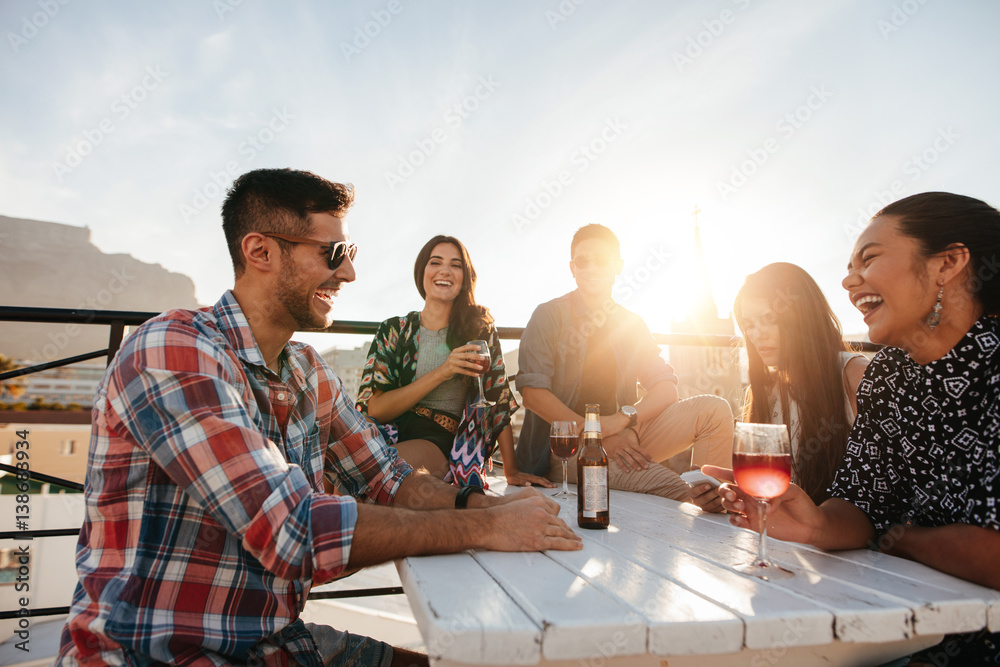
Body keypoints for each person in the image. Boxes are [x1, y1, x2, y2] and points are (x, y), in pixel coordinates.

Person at [56, 168, 581, 667]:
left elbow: (390, 478)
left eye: (349, 252)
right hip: (156, 651)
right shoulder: (171, 350)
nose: (350, 271)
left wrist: (489, 503)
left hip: (274, 640)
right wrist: (486, 525)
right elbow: (291, 530)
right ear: (260, 251)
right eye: (334, 253)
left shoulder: (308, 370)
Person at [711, 192, 1000, 664]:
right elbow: (862, 507)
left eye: (869, 259)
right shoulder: (890, 375)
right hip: (905, 627)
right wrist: (816, 524)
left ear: (948, 263)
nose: (848, 281)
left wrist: (900, 536)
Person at [515, 223, 734, 511]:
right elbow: (533, 394)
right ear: (572, 268)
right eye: (583, 260)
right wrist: (597, 435)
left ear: (618, 265)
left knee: (714, 410)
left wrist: (623, 420)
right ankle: (710, 506)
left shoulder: (631, 324)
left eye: (602, 259)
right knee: (676, 490)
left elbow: (667, 388)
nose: (592, 267)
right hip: (564, 449)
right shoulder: (548, 316)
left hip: (625, 436)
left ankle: (711, 493)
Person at [356, 235, 551, 488]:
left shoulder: (478, 330)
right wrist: (443, 371)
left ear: (465, 276)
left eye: (456, 265)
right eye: (435, 262)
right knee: (339, 463)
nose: (445, 270)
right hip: (388, 432)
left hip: (440, 438)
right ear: (422, 271)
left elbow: (497, 399)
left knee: (373, 470)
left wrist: (511, 470)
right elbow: (376, 409)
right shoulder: (394, 330)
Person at [733, 262, 869, 503]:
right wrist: (728, 495)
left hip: (845, 536)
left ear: (802, 316)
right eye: (749, 325)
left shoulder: (854, 375)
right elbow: (762, 489)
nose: (757, 334)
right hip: (778, 534)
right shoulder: (762, 392)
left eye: (768, 318)